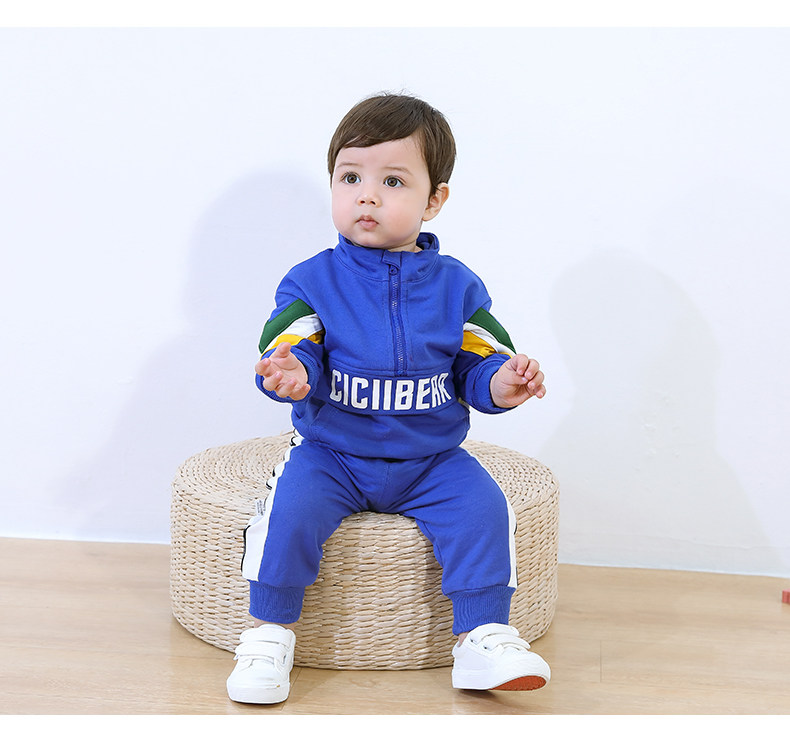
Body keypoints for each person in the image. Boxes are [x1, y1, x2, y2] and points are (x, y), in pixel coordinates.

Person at [226, 93, 551, 705]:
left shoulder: (458, 286)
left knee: (484, 507)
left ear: (434, 200)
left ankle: (482, 637)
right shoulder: (312, 280)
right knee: (287, 511)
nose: (367, 196)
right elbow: (293, 344)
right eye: (350, 178)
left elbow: (479, 363)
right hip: (333, 454)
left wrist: (502, 384)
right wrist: (291, 371)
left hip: (431, 460)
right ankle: (268, 633)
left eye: (392, 181)